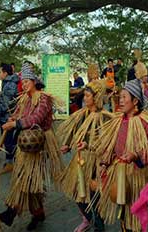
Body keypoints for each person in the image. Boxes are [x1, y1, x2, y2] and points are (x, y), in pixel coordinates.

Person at [93, 79, 148, 232]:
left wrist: (136, 155)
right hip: (119, 174)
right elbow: (111, 146)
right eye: (119, 97)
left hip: (138, 176)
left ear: (135, 101)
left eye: (124, 97)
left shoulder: (145, 122)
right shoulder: (118, 121)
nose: (120, 101)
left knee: (135, 216)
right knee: (123, 213)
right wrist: (104, 164)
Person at [0, 63, 63, 230]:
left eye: (26, 81)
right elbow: (20, 114)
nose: (24, 84)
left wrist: (15, 124)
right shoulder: (25, 98)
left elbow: (36, 118)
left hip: (39, 143)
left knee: (29, 179)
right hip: (26, 143)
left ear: (34, 81)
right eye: (23, 82)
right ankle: (37, 213)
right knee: (28, 180)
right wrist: (14, 118)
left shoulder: (43, 98)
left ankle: (13, 210)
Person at [57, 80, 111, 232]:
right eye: (85, 95)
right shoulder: (81, 114)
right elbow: (74, 131)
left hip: (96, 161)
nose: (85, 98)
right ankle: (88, 219)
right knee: (77, 194)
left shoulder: (105, 118)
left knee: (94, 196)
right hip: (80, 160)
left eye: (88, 96)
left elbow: (106, 142)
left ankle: (99, 227)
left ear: (96, 97)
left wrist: (90, 146)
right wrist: (67, 145)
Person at [0, 63, 19, 174]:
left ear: (5, 73)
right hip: (6, 116)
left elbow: (7, 104)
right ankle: (10, 161)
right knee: (8, 141)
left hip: (8, 117)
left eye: (0, 72)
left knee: (8, 141)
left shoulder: (10, 85)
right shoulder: (8, 83)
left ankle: (10, 163)